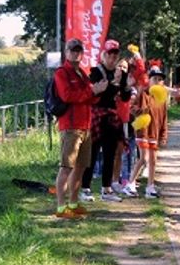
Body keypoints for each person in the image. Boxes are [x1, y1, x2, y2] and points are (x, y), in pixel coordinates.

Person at [53, 38, 107, 218]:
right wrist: (92, 92)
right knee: (66, 166)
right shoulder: (62, 73)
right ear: (66, 52)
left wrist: (98, 91)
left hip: (85, 126)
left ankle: (74, 203)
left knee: (81, 167)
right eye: (73, 50)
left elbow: (89, 98)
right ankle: (61, 207)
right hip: (70, 127)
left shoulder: (82, 74)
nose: (76, 54)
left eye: (79, 51)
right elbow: (67, 95)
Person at [83, 39, 132, 202]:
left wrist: (126, 86)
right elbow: (96, 93)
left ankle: (107, 188)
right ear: (103, 55)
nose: (112, 59)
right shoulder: (96, 72)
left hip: (112, 115)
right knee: (93, 152)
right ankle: (85, 187)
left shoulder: (121, 73)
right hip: (97, 115)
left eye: (115, 56)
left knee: (110, 153)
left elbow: (125, 98)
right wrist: (113, 83)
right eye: (109, 56)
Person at [130, 64, 170, 197]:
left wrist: (163, 134)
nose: (158, 81)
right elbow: (133, 108)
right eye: (155, 78)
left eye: (160, 79)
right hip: (143, 131)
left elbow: (164, 117)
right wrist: (142, 111)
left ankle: (150, 187)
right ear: (150, 79)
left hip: (154, 133)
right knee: (143, 158)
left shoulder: (162, 98)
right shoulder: (143, 92)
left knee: (153, 160)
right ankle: (130, 183)